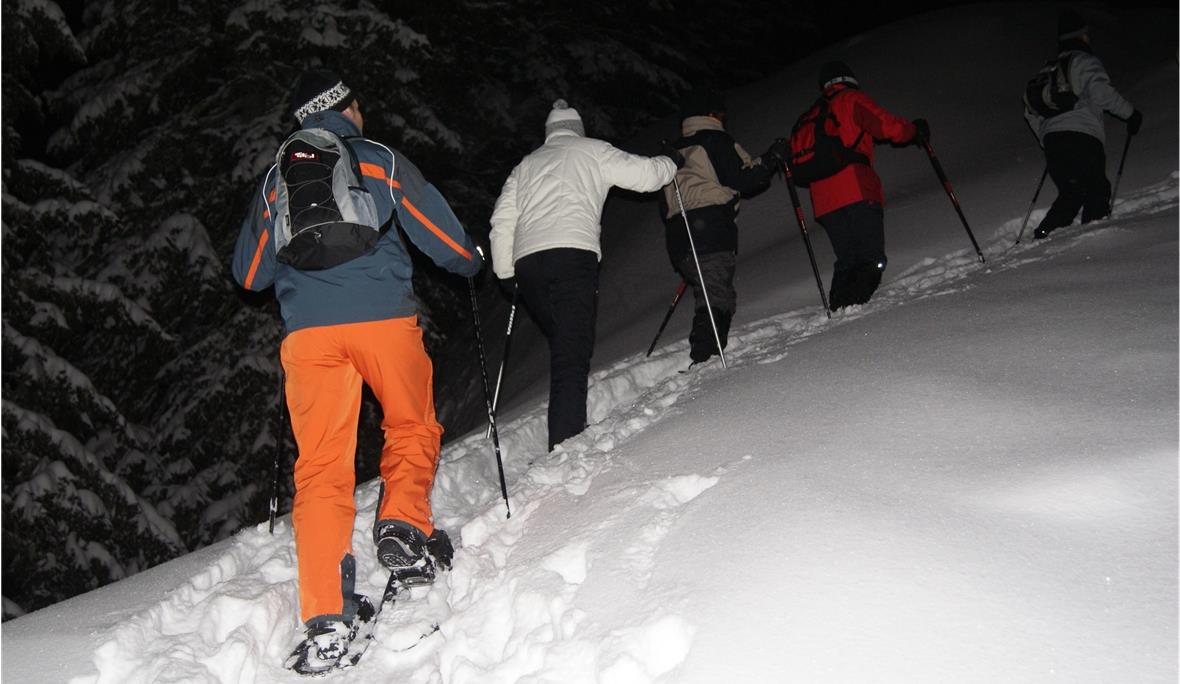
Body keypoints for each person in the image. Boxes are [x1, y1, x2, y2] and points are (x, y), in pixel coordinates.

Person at [231, 70, 482, 673]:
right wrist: (470, 261)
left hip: (310, 338)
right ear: (348, 108)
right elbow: (440, 236)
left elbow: (249, 275)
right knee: (411, 424)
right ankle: (402, 525)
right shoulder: (377, 160)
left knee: (319, 468)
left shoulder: (278, 180)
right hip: (383, 322)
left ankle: (326, 616)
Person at [489, 99, 677, 452]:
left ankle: (569, 423)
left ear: (549, 133)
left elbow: (502, 220)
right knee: (571, 355)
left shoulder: (526, 165)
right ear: (578, 129)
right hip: (571, 257)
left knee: (566, 345)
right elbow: (648, 177)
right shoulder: (591, 151)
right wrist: (673, 163)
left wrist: (505, 272)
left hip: (529, 265)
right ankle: (566, 443)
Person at [660, 86, 788, 365]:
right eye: (720, 112)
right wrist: (771, 159)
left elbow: (664, 202)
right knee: (717, 297)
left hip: (679, 235)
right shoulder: (716, 140)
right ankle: (704, 357)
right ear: (710, 113)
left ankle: (705, 352)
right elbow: (743, 179)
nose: (723, 117)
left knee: (710, 291)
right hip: (711, 230)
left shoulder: (673, 150)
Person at [804, 61, 927, 310]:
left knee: (848, 259)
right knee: (872, 259)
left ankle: (839, 308)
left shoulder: (812, 114)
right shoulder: (850, 99)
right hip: (855, 189)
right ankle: (855, 310)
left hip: (823, 200)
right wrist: (914, 131)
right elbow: (885, 126)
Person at [1024, 9, 1142, 240]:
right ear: (1082, 36)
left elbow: (1030, 110)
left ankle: (1044, 235)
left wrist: (1047, 138)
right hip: (1082, 137)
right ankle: (1093, 240)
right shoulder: (1083, 61)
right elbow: (1100, 91)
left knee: (1074, 191)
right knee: (1097, 190)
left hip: (1054, 141)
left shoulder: (1048, 70)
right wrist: (1130, 114)